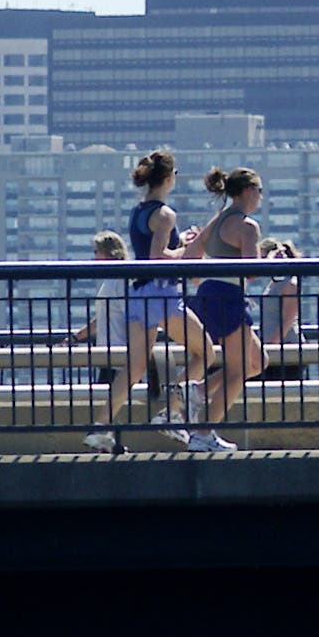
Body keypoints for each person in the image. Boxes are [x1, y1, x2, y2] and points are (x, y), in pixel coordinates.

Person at [83, 151, 214, 452]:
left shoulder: (138, 212)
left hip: (139, 295)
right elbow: (159, 259)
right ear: (169, 178)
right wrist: (192, 247)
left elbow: (151, 252)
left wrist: (179, 245)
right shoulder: (166, 214)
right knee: (204, 353)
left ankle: (100, 427)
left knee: (134, 368)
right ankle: (170, 412)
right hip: (162, 295)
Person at [179, 166, 267, 452]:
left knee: (258, 361)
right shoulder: (247, 226)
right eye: (260, 191)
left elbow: (191, 255)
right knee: (239, 370)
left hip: (208, 293)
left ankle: (199, 390)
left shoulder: (217, 221)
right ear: (248, 191)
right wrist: (269, 259)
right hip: (229, 296)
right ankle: (203, 434)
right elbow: (251, 271)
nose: (260, 198)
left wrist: (202, 279)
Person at [70, 230, 130, 390]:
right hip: (107, 356)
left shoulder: (120, 281)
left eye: (97, 252)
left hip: (118, 356)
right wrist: (77, 337)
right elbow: (103, 316)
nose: (95, 257)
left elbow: (131, 317)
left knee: (107, 405)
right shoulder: (111, 281)